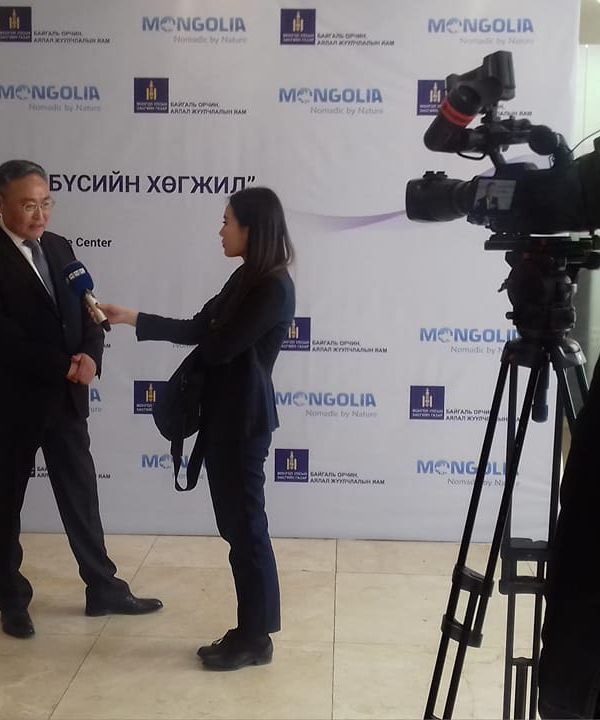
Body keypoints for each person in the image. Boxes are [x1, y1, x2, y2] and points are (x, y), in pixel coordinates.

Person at [100, 186, 295, 671]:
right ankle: (250, 630)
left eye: (227, 221)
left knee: (247, 530)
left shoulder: (272, 287)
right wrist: (132, 318)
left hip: (244, 423)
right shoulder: (245, 277)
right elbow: (197, 328)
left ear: (251, 228)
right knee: (236, 529)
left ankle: (256, 637)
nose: (220, 230)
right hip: (224, 419)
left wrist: (210, 330)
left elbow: (220, 346)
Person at [0, 159, 163, 640]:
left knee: (81, 496)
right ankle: (11, 599)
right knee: (6, 504)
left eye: (46, 203)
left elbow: (88, 311)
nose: (40, 215)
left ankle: (103, 588)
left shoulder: (60, 247)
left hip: (67, 400)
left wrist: (92, 356)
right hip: (14, 405)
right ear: (2, 204)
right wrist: (61, 365)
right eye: (28, 205)